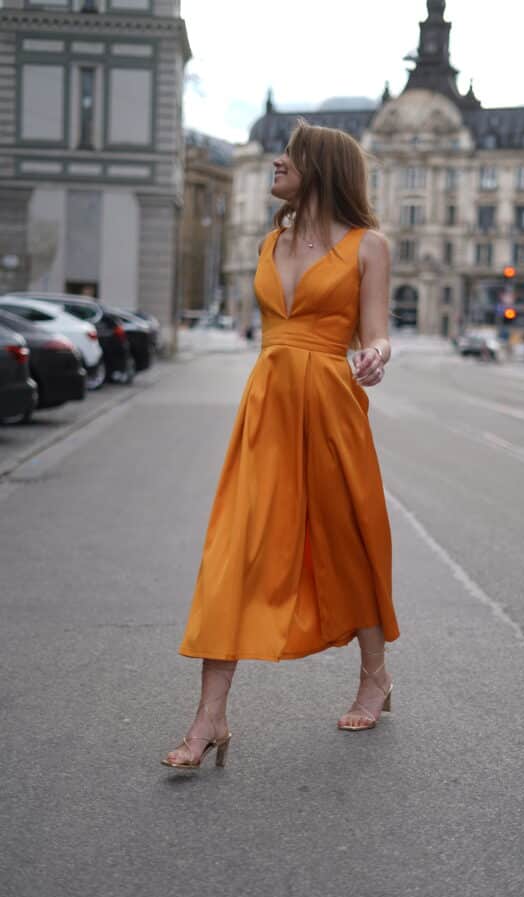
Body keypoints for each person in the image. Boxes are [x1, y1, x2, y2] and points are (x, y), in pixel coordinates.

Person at [162, 119, 400, 770]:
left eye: (288, 156)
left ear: (319, 167)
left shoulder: (367, 246)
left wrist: (375, 355)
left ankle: (374, 675)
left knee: (349, 540)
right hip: (266, 408)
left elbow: (374, 332)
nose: (275, 162)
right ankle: (209, 717)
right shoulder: (271, 242)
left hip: (330, 404)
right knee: (233, 553)